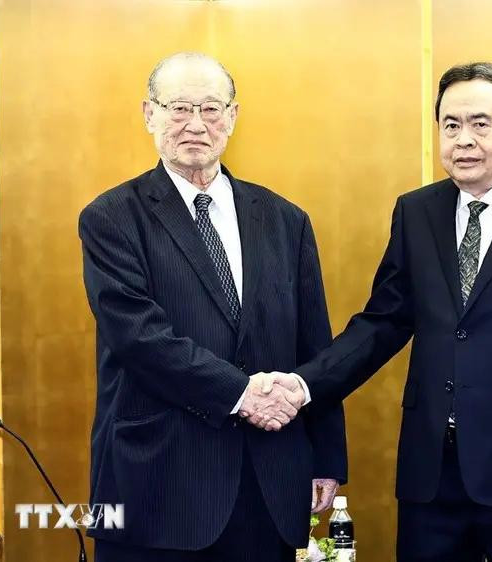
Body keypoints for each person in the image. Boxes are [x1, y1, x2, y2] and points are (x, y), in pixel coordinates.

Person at [249, 62, 492, 561]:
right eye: (451, 125)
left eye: (481, 124)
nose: (463, 139)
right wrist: (304, 385)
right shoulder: (416, 211)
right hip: (431, 475)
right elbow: (383, 322)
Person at [78, 52, 346, 562]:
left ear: (233, 117)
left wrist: (327, 457)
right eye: (179, 109)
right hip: (157, 483)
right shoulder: (111, 218)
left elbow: (315, 345)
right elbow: (139, 336)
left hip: (269, 480)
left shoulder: (286, 220)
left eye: (211, 108)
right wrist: (244, 394)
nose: (196, 125)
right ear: (149, 114)